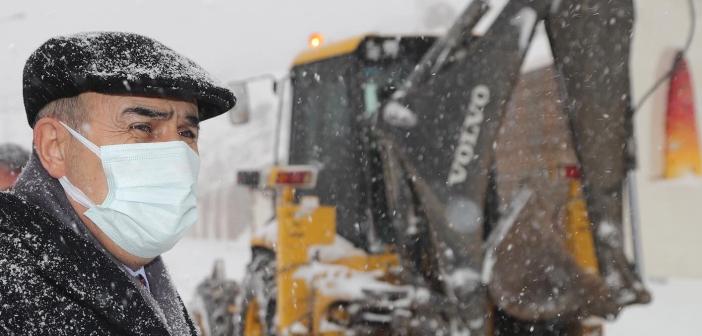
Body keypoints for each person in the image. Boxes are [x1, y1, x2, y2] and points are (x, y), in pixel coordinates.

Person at [0, 32, 235, 335]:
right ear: (54, 147)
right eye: (142, 127)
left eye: (187, 133)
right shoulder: (14, 290)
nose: (176, 157)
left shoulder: (137, 274)